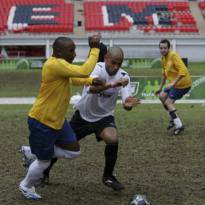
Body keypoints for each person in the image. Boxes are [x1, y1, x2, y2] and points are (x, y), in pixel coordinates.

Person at [20, 46, 140, 192]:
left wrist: (128, 104)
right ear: (106, 59)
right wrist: (111, 84)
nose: (115, 67)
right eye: (113, 62)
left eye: (119, 64)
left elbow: (127, 101)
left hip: (104, 117)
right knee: (62, 145)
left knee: (113, 139)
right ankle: (44, 172)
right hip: (82, 116)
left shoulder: (124, 76)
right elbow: (92, 88)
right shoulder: (97, 68)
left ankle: (108, 176)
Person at [19, 35, 102, 200]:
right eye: (71, 51)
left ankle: (33, 152)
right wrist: (94, 49)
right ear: (58, 51)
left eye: (74, 50)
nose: (74, 54)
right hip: (42, 121)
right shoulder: (54, 64)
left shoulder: (61, 66)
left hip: (57, 121)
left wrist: (91, 81)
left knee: (74, 151)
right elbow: (83, 70)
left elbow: (75, 78)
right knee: (44, 162)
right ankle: (26, 185)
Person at [155, 39, 192, 135]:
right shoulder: (163, 59)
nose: (163, 50)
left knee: (168, 102)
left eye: (165, 48)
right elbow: (164, 74)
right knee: (162, 96)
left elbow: (183, 71)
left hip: (183, 84)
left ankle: (179, 125)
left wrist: (172, 83)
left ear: (169, 48)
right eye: (161, 48)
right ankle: (172, 118)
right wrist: (160, 87)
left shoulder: (173, 56)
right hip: (174, 84)